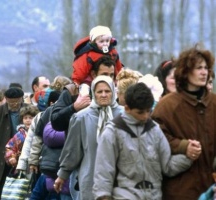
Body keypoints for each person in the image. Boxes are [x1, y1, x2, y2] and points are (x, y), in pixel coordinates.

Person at [93, 82, 193, 200]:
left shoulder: (155, 130)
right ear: (127, 108)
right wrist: (103, 197)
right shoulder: (112, 132)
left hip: (154, 196)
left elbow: (167, 166)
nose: (145, 116)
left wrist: (189, 155)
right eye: (140, 112)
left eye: (148, 111)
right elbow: (103, 173)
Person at [151, 45, 216, 199]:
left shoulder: (214, 103)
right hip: (179, 190)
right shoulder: (167, 105)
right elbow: (154, 138)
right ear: (186, 71)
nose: (204, 72)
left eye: (206, 68)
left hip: (210, 188)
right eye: (198, 67)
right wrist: (182, 146)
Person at [53, 76, 123, 200]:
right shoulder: (81, 118)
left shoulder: (124, 116)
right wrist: (62, 175)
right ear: (93, 94)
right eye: (99, 91)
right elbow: (72, 150)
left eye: (107, 91)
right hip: (91, 177)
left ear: (113, 92)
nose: (103, 95)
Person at [71, 25, 123, 89]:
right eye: (101, 41)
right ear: (94, 42)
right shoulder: (88, 54)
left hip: (110, 81)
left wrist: (121, 78)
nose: (105, 44)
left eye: (107, 41)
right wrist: (76, 81)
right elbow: (80, 68)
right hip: (90, 82)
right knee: (84, 89)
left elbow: (118, 67)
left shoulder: (113, 52)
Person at [4, 105, 39, 175]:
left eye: (30, 118)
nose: (28, 120)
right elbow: (9, 147)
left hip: (37, 164)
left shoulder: (39, 132)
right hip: (22, 166)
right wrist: (12, 157)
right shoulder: (19, 135)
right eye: (25, 118)